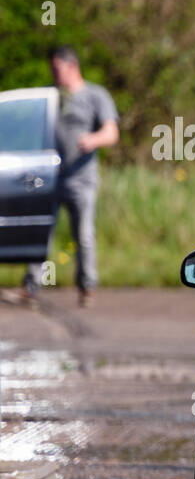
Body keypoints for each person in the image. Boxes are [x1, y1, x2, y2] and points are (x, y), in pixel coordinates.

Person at [23, 45, 118, 308]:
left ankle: (87, 288)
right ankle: (30, 286)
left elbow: (112, 132)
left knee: (84, 235)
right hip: (50, 178)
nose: (54, 74)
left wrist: (92, 139)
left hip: (82, 180)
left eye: (57, 69)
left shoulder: (95, 95)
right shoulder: (51, 97)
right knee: (40, 231)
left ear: (72, 66)